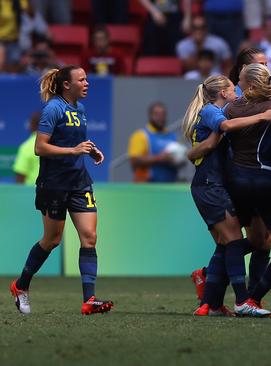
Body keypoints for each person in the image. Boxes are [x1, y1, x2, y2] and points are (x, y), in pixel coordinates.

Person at [9, 66, 113, 315]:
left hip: (80, 182)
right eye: (82, 79)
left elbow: (73, 142)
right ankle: (21, 286)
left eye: (87, 79)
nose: (87, 83)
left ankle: (89, 300)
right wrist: (74, 151)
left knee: (89, 236)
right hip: (53, 184)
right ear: (67, 85)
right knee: (52, 240)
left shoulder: (81, 108)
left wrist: (89, 149)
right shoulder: (53, 108)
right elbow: (40, 148)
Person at [181, 74, 271, 317]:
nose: (237, 91)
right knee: (235, 241)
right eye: (232, 88)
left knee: (232, 244)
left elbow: (206, 145)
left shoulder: (216, 112)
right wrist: (262, 116)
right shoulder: (210, 111)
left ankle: (212, 301)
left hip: (216, 185)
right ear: (224, 93)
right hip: (209, 185)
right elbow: (224, 127)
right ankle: (242, 299)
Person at [221, 63, 271, 318]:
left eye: (241, 81)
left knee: (233, 241)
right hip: (265, 181)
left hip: (236, 183)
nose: (238, 85)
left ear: (251, 84)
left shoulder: (230, 109)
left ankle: (236, 299)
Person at [127, 102, 180, 183]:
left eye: (163, 114)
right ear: (150, 115)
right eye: (156, 114)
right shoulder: (141, 135)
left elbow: (179, 160)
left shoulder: (172, 136)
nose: (160, 118)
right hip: (147, 187)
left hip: (169, 186)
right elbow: (134, 161)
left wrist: (179, 159)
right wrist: (159, 158)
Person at [13, 111, 41, 184]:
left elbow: (20, 177)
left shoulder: (27, 147)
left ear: (32, 125)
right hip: (56, 193)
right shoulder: (59, 144)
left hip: (31, 194)